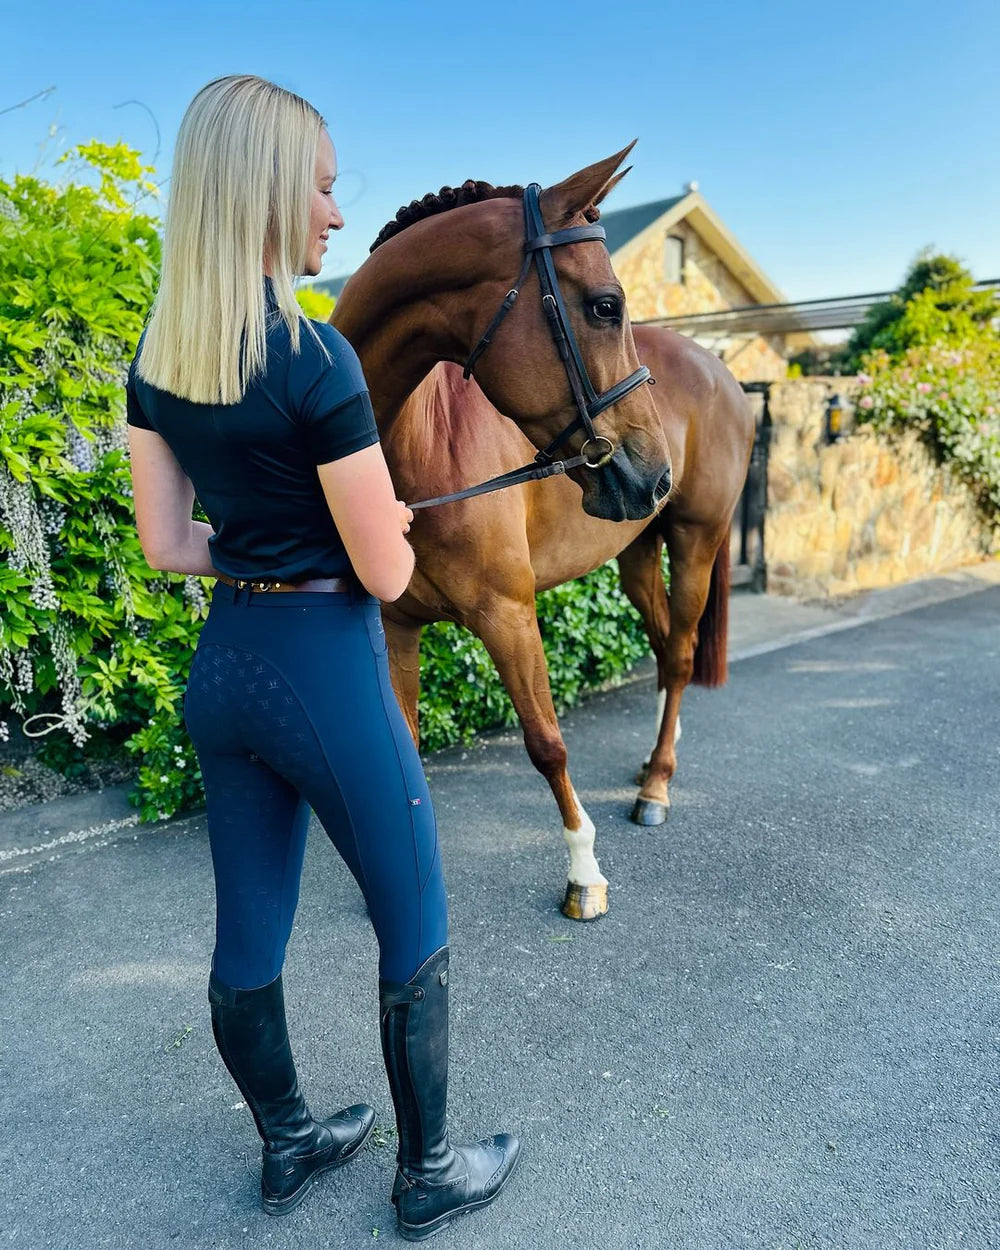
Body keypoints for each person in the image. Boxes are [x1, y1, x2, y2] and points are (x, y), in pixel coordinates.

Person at [125, 73, 519, 1241]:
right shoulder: (315, 359)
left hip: (229, 668)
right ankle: (430, 1168)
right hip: (323, 672)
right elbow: (390, 577)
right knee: (414, 910)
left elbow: (164, 546)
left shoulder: (161, 354)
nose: (338, 215)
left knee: (247, 930)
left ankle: (289, 1140)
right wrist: (378, 529)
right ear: (263, 190)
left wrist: (261, 545)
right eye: (325, 186)